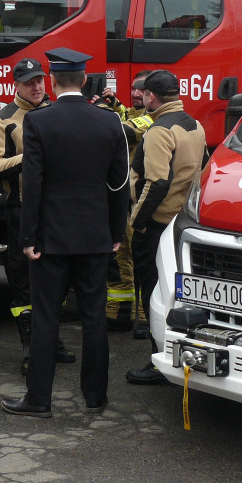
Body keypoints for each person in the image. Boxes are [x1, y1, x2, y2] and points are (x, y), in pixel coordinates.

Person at [1, 48, 130, 418]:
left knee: (45, 317)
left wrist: (28, 237)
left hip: (51, 240)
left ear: (53, 83)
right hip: (94, 237)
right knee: (93, 318)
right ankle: (95, 396)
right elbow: (118, 184)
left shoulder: (39, 122)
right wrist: (115, 231)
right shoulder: (109, 122)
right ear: (85, 81)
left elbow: (33, 184)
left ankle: (38, 399)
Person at [0, 57, 75, 375]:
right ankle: (30, 349)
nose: (36, 87)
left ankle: (52, 341)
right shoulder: (4, 119)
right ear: (16, 85)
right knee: (23, 282)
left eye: (39, 80)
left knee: (58, 279)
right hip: (21, 208)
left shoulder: (56, 111)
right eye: (28, 82)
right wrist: (31, 155)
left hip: (56, 208)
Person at [125, 70, 207, 385]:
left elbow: (156, 183)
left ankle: (158, 360)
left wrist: (137, 221)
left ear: (151, 97)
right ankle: (180, 354)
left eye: (143, 94)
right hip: (181, 223)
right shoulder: (195, 124)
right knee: (178, 294)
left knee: (154, 293)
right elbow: (203, 167)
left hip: (157, 225)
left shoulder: (159, 130)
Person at [102, 71, 153, 335]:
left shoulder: (154, 118)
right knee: (120, 259)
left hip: (143, 201)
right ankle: (119, 315)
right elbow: (127, 118)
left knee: (143, 261)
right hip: (124, 199)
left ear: (152, 94)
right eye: (133, 88)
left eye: (141, 89)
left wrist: (99, 115)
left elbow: (127, 131)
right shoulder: (135, 113)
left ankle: (146, 321)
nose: (135, 93)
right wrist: (115, 106)